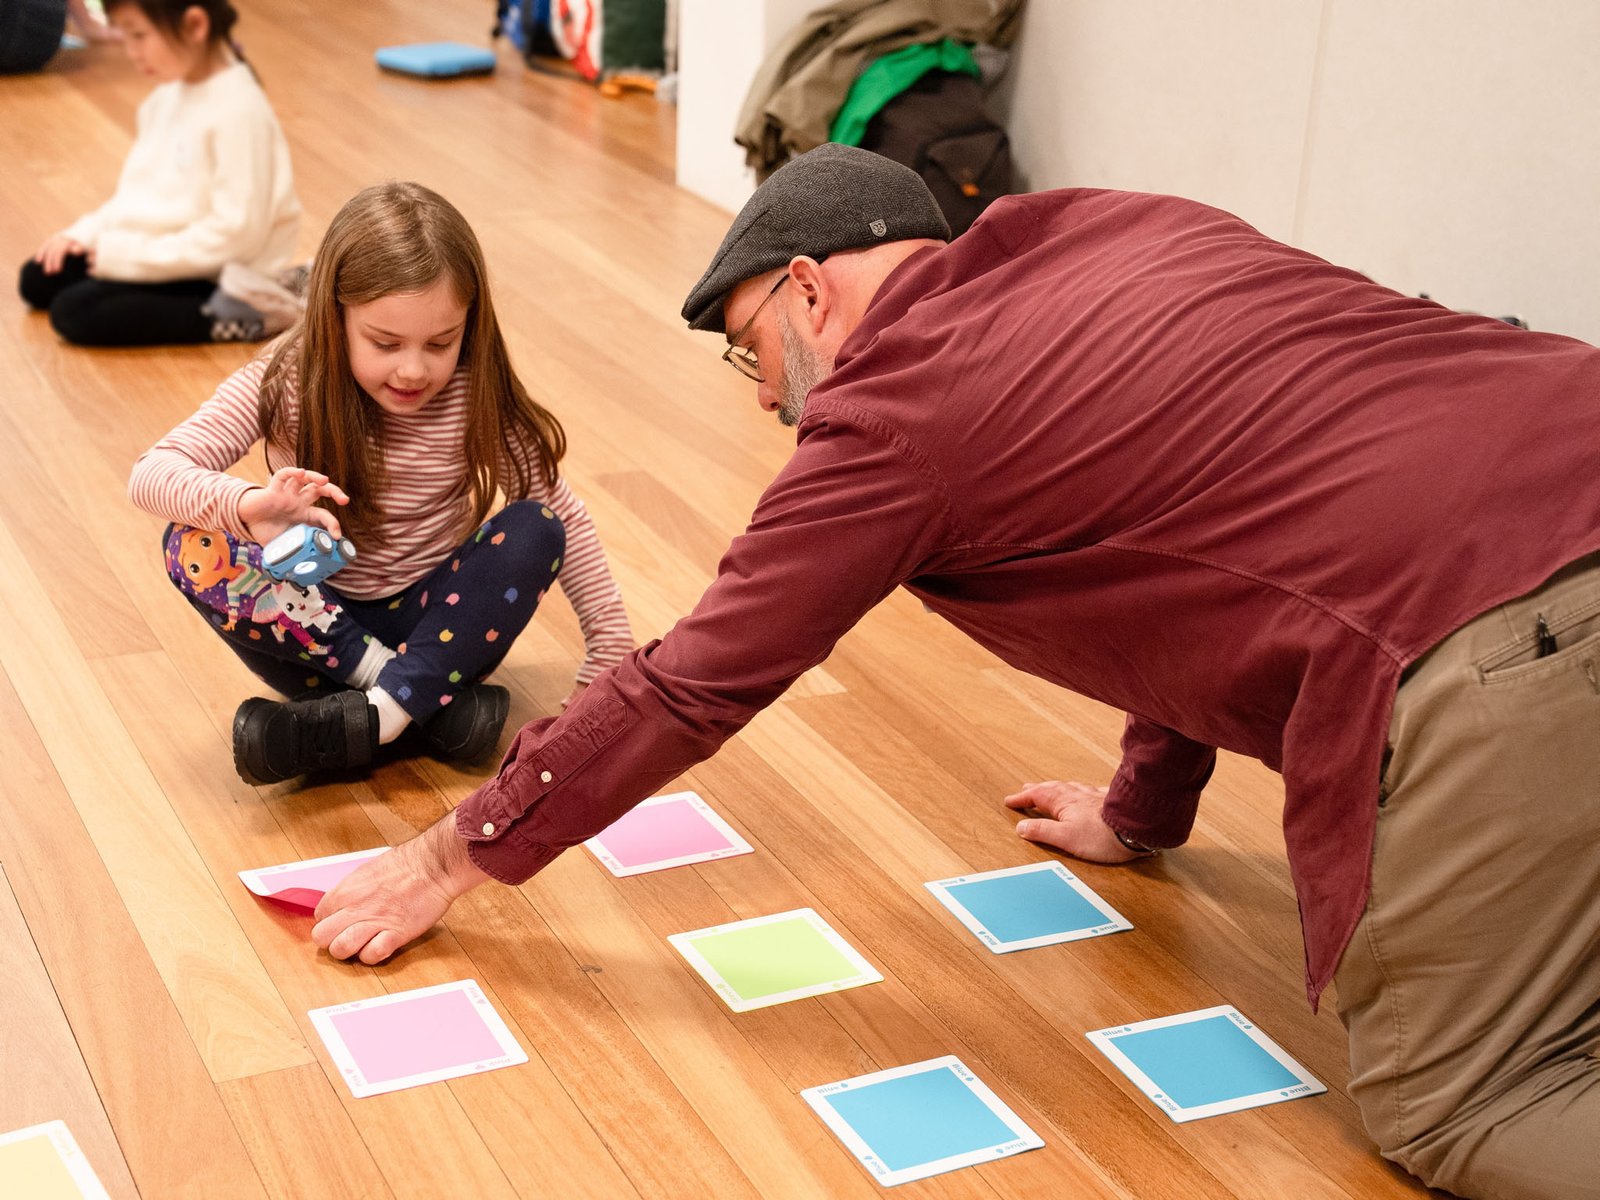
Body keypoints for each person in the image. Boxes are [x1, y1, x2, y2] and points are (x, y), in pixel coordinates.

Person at [310, 146, 1600, 1199]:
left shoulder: (898, 414)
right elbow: (1191, 532)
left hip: (1494, 631)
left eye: (750, 349)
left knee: (1462, 1107)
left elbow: (689, 685)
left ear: (809, 292)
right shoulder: (1112, 223)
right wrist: (1142, 809)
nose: (762, 399)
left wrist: (447, 858)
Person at [130, 181, 633, 784]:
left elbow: (560, 515)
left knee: (535, 528)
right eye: (385, 343)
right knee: (191, 541)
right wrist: (248, 504)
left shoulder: (476, 389)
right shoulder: (284, 379)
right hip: (319, 637)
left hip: (441, 633)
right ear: (334, 318)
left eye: (441, 343)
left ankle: (374, 719)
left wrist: (610, 649)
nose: (414, 369)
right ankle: (414, 707)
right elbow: (151, 473)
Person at [18, 0, 300, 346]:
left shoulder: (240, 112)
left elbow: (235, 237)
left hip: (222, 274)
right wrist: (84, 234)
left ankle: (247, 315)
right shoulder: (167, 95)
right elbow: (134, 197)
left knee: (75, 312)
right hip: (160, 253)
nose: (131, 52)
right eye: (126, 36)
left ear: (195, 25)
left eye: (139, 36)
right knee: (38, 277)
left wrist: (126, 258)